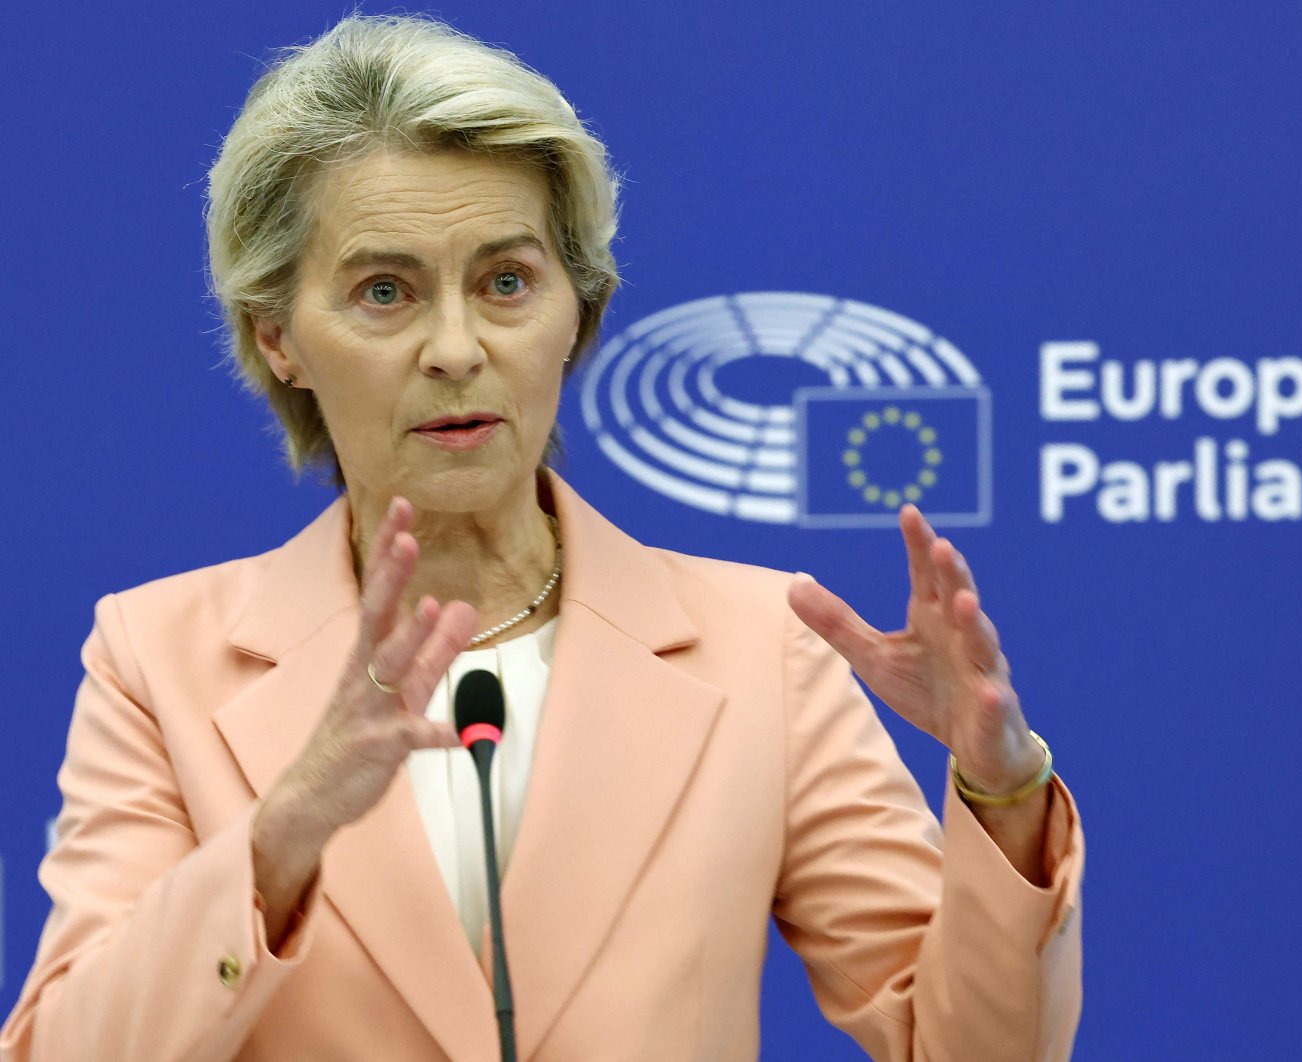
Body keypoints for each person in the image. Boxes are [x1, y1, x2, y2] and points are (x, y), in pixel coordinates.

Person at [0, 13, 1083, 1061]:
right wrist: (280, 837)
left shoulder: (762, 648)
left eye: (507, 282)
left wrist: (1001, 792)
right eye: (385, 291)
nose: (457, 348)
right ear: (277, 336)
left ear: (579, 308)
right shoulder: (158, 660)